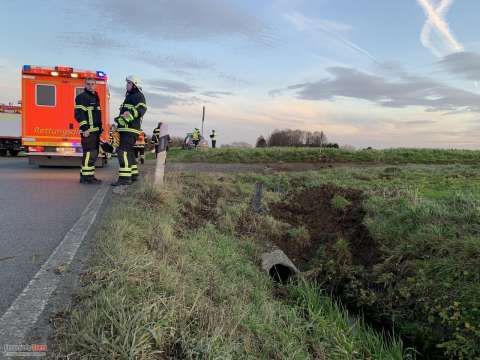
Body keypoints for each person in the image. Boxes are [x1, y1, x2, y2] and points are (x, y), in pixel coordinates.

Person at [111, 75, 147, 186]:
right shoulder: (130, 96)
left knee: (123, 152)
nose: (126, 85)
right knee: (130, 152)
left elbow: (142, 109)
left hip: (130, 129)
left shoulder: (138, 96)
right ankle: (133, 175)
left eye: (129, 83)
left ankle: (124, 179)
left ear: (135, 84)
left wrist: (129, 114)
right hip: (127, 129)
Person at [74, 78, 102, 184]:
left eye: (92, 84)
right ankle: (86, 178)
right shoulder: (81, 97)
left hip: (95, 132)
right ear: (84, 85)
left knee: (93, 154)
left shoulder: (95, 97)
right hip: (88, 132)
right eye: (88, 84)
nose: (90, 86)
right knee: (89, 154)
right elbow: (79, 114)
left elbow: (96, 116)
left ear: (95, 85)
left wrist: (100, 128)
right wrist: (85, 128)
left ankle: (89, 175)